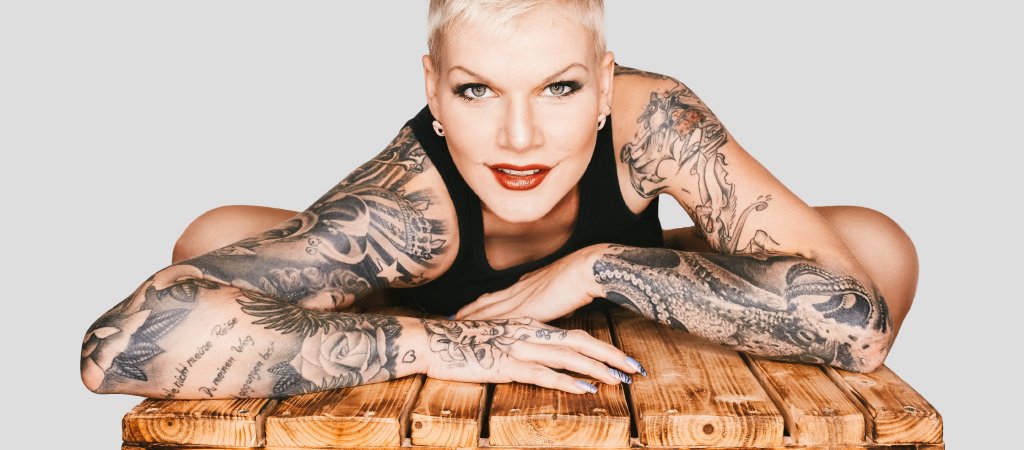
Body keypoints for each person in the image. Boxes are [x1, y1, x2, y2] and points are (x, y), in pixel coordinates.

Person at [81, 0, 918, 399]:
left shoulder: (651, 117)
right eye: (477, 91)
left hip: (633, 292)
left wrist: (604, 266)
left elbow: (859, 323)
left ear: (605, 86)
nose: (520, 139)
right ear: (435, 93)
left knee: (876, 244)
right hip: (434, 299)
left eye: (559, 88)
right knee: (212, 239)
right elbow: (111, 353)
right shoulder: (405, 209)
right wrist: (439, 344)